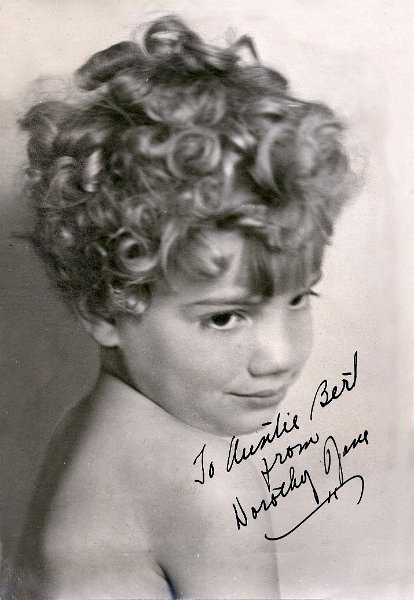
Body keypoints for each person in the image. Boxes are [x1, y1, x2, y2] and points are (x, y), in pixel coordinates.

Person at [3, 14, 353, 599]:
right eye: (224, 317)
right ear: (106, 308)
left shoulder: (88, 432)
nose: (280, 356)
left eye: (297, 298)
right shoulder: (206, 483)